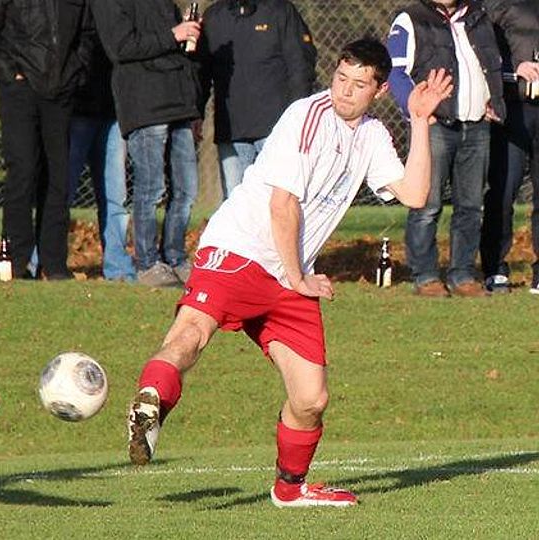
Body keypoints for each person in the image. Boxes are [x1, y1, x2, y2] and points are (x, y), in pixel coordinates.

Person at [125, 39, 452, 507]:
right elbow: (283, 205)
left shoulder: (373, 134)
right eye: (341, 78)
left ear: (379, 90)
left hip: (290, 272)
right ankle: (150, 402)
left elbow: (415, 194)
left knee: (311, 399)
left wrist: (419, 120)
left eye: (360, 85)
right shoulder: (307, 116)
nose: (345, 91)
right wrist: (298, 277)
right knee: (191, 333)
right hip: (240, 249)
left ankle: (290, 489)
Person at [0, 0, 96, 280]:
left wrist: (76, 71)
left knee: (58, 178)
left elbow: (87, 34)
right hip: (19, 91)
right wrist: (10, 73)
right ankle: (17, 262)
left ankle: (54, 263)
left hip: (61, 91)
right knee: (22, 172)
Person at [386, 0, 506, 297]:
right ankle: (425, 275)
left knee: (470, 207)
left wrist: (494, 99)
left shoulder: (479, 16)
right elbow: (396, 71)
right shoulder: (410, 18)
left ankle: (462, 273)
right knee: (427, 204)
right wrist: (414, 108)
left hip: (477, 124)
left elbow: (491, 64)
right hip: (436, 125)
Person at [92, 0, 203, 288]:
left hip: (180, 102)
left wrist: (195, 103)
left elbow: (180, 51)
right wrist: (173, 35)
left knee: (187, 190)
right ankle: (148, 262)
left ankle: (176, 258)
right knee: (151, 188)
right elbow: (120, 47)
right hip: (144, 103)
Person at [201, 0, 317, 202]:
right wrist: (196, 114)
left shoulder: (280, 11)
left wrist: (297, 118)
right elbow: (201, 72)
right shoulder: (214, 16)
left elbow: (300, 65)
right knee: (236, 203)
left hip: (277, 130)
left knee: (280, 200)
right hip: (231, 130)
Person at [479, 0, 539, 294]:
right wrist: (515, 68)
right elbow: (481, 48)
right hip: (512, 108)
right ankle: (495, 267)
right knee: (503, 191)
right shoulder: (495, 5)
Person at [67, 46, 136, 282]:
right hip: (77, 109)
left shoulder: (119, 10)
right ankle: (43, 260)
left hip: (113, 111)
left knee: (116, 197)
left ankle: (118, 266)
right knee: (61, 193)